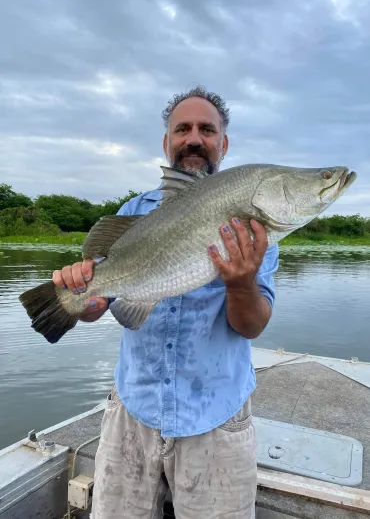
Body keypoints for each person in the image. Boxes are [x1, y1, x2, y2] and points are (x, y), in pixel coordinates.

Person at [52, 86, 279, 519]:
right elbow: (105, 302)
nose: (194, 138)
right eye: (183, 129)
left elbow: (251, 326)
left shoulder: (254, 226)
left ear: (223, 143)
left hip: (217, 417)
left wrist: (242, 282)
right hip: (131, 413)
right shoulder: (134, 211)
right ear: (167, 142)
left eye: (207, 129)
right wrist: (84, 298)